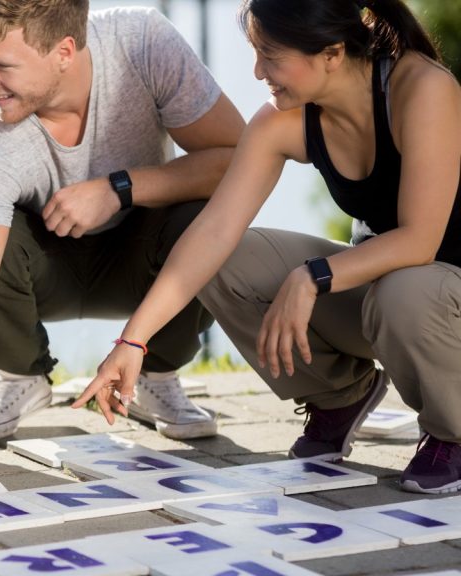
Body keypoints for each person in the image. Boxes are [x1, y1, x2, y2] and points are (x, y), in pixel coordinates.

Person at [78, 0, 461, 494]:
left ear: (332, 53)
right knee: (227, 260)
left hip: (435, 296)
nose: (257, 71)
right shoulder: (284, 120)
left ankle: (452, 430)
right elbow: (213, 235)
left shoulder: (422, 88)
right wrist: (132, 341)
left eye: (271, 56)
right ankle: (339, 393)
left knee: (403, 291)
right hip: (390, 297)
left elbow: (421, 239)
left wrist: (313, 276)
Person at [0, 0, 244, 520]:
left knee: (213, 214)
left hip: (142, 260)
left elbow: (240, 159)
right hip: (43, 272)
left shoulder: (142, 42)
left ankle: (155, 374)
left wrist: (121, 188)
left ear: (64, 51)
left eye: (2, 66)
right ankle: (19, 375)